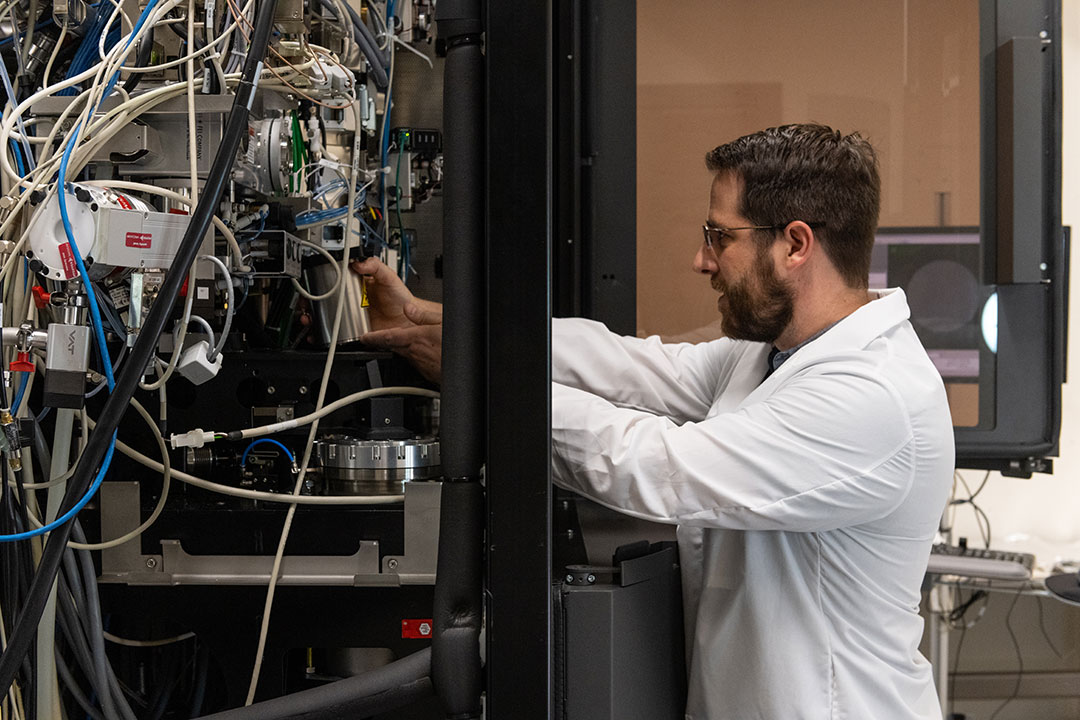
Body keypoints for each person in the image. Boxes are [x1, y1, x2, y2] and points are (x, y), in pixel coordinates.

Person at [351, 123, 954, 720]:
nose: (701, 260)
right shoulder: (776, 351)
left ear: (795, 245)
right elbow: (634, 366)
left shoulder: (871, 397)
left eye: (720, 236)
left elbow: (661, 469)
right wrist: (452, 325)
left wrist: (485, 381)